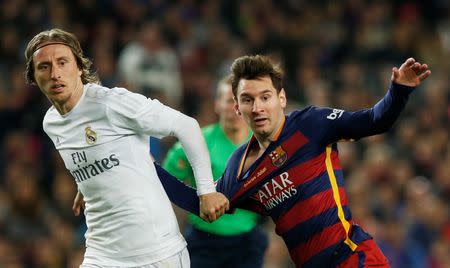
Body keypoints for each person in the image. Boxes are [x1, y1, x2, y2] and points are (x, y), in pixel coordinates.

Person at [155, 55, 431, 267]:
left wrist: (398, 91)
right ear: (238, 108)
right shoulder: (240, 167)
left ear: (282, 98)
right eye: (248, 100)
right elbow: (201, 203)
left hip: (353, 258)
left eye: (265, 97)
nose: (258, 108)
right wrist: (146, 166)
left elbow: (374, 120)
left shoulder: (311, 124)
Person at [24, 28, 229, 267]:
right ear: (33, 76)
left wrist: (206, 191)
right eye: (44, 66)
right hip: (102, 253)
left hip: (156, 252)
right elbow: (92, 154)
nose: (55, 73)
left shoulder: (111, 103)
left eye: (62, 62)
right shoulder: (51, 123)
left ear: (79, 67)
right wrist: (87, 185)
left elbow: (186, 126)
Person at [163, 76, 268, 268]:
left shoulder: (263, 145)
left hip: (247, 242)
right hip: (204, 242)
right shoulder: (194, 142)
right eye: (229, 100)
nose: (234, 107)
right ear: (217, 105)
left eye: (241, 100)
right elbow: (164, 183)